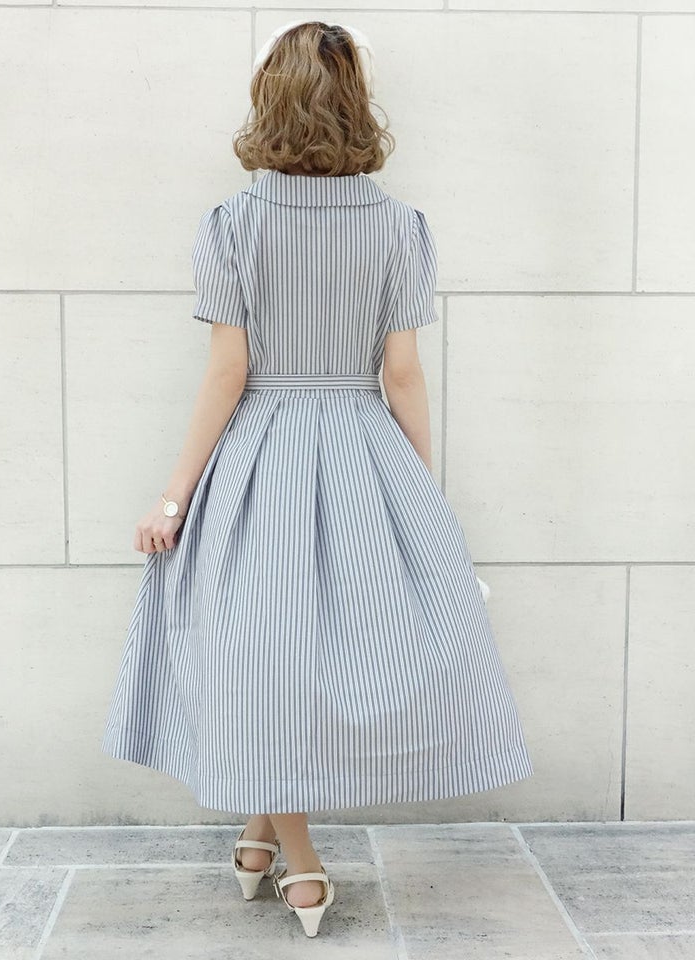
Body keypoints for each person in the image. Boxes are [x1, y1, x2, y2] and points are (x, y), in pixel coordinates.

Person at [101, 19, 534, 938]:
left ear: (271, 100)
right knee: (295, 663)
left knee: (265, 659)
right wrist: (418, 495)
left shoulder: (233, 224)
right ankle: (272, 845)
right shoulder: (399, 227)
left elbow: (229, 372)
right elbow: (402, 374)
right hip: (362, 449)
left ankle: (294, 863)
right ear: (356, 105)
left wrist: (175, 495)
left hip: (261, 457)